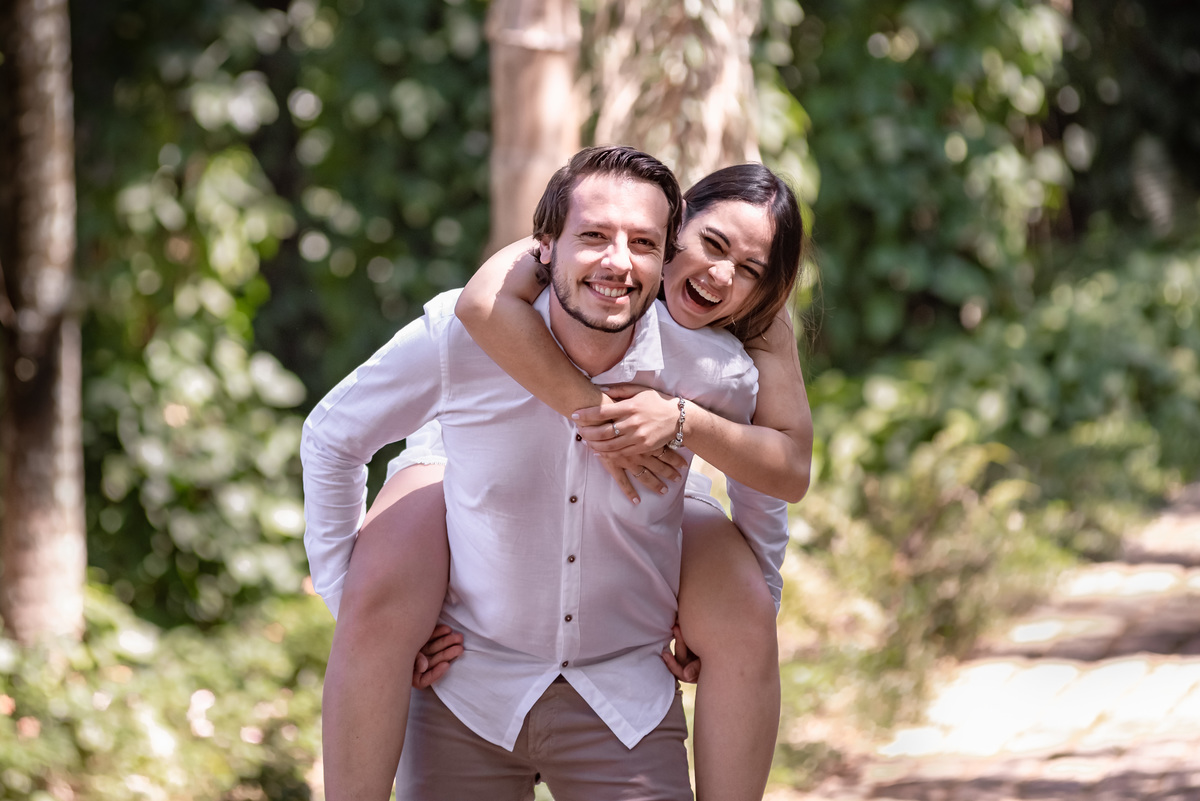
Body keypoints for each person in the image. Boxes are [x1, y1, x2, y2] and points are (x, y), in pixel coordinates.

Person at [303, 145, 791, 800]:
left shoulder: (710, 368)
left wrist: (746, 614)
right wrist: (344, 600)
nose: (618, 259)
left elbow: (767, 473)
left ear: (661, 252)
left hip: (621, 692)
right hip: (470, 681)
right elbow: (333, 435)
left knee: (733, 588)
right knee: (390, 554)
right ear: (544, 248)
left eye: (641, 242)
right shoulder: (464, 331)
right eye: (593, 236)